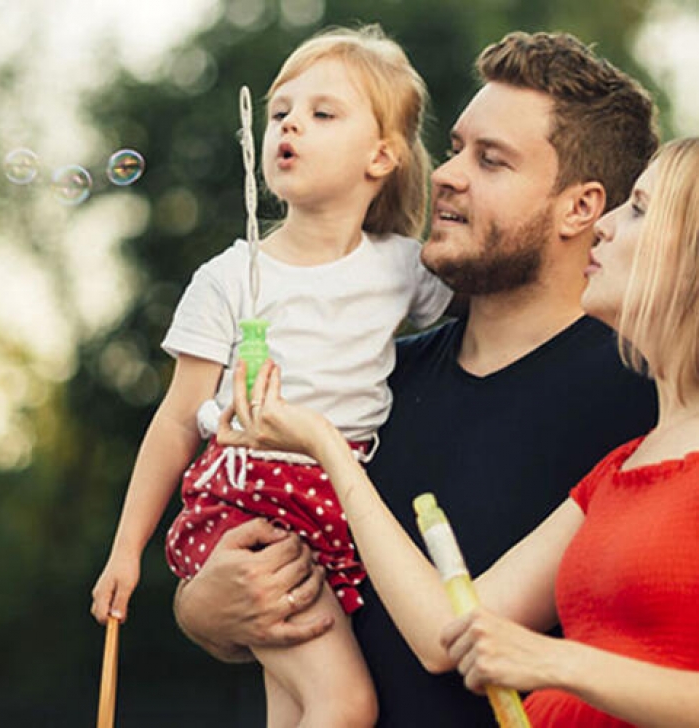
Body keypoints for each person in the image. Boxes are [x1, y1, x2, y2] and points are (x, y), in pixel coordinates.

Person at [173, 31, 660, 727]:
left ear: (580, 208)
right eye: (457, 147)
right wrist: (204, 609)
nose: (446, 174)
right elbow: (273, 575)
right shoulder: (374, 386)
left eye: (491, 160)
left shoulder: (641, 395)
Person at [90, 25, 452, 727]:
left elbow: (487, 306)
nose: (289, 122)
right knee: (344, 703)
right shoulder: (228, 279)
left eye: (323, 113)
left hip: (339, 507)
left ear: (383, 155)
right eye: (282, 109)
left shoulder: (403, 267)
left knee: (294, 710)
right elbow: (175, 419)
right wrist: (125, 551)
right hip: (254, 503)